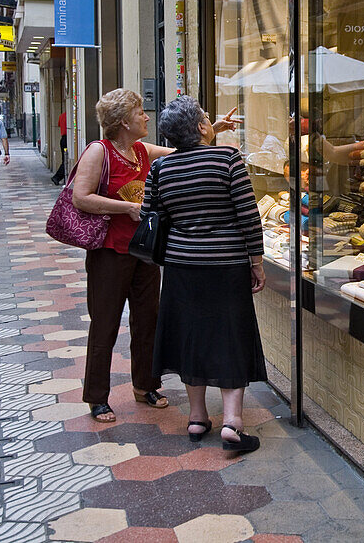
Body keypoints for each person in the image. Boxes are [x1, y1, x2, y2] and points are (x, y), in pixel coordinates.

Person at [146, 97, 266, 450]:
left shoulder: (161, 169)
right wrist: (255, 262)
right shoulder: (227, 158)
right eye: (207, 119)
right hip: (226, 264)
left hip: (182, 265)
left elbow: (150, 216)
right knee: (230, 334)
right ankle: (233, 423)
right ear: (201, 128)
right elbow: (248, 214)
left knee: (190, 336)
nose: (211, 122)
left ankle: (197, 418)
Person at [70, 88, 175, 423]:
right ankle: (97, 397)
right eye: (140, 111)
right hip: (109, 253)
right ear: (123, 121)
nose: (146, 116)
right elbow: (81, 198)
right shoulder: (99, 152)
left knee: (148, 320)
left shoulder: (141, 151)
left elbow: (178, 152)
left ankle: (145, 386)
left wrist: (210, 128)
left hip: (144, 251)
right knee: (105, 324)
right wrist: (126, 207)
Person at [51, 111, 67, 186]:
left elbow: (59, 125)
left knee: (64, 159)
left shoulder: (61, 116)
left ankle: (60, 177)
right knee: (65, 160)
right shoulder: (70, 116)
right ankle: (57, 177)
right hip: (67, 139)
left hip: (63, 139)